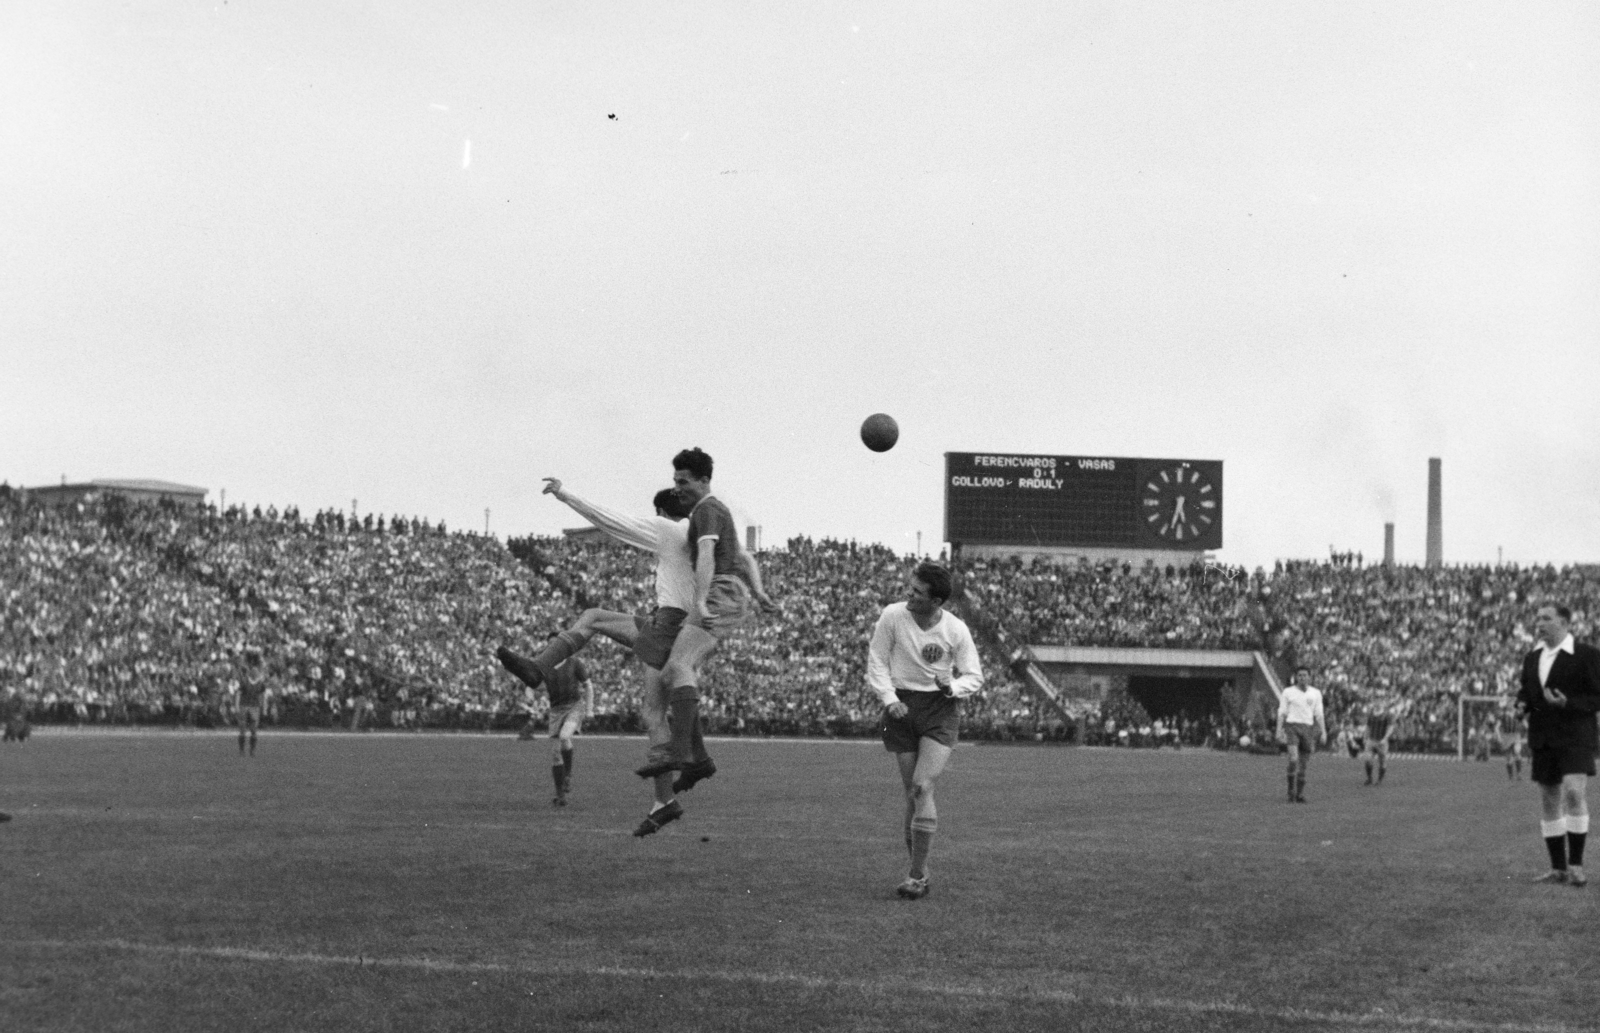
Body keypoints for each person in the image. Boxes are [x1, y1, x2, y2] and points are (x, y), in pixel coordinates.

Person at [637, 448, 776, 780]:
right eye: (675, 481)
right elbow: (744, 557)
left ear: (703, 480)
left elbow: (707, 554)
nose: (677, 488)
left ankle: (682, 751)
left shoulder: (706, 510)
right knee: (672, 672)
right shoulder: (716, 510)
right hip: (729, 591)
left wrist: (701, 601)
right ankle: (693, 757)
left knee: (677, 667)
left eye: (683, 481)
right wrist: (758, 592)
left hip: (720, 592)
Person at [866, 561, 984, 900]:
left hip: (939, 709)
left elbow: (974, 675)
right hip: (900, 706)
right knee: (912, 795)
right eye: (910, 587)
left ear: (936, 601)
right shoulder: (892, 616)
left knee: (922, 786)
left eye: (917, 592)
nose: (909, 594)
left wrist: (953, 687)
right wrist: (889, 699)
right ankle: (920, 871)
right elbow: (877, 660)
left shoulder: (955, 630)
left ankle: (916, 876)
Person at [1516, 604, 1600, 887]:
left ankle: (1576, 865)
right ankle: (1558, 869)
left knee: (1574, 792)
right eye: (1538, 618)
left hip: (1576, 734)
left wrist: (1569, 703)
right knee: (1549, 799)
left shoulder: (1587, 654)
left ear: (1563, 622)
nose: (1539, 623)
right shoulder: (1533, 657)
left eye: (1546, 618)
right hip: (1543, 736)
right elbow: (1526, 692)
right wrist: (1521, 705)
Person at [537, 656, 591, 807]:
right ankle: (560, 795)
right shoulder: (545, 665)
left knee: (564, 736)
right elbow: (534, 684)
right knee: (556, 754)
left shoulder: (574, 663)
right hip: (555, 711)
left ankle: (568, 774)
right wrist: (530, 692)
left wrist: (589, 710)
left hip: (574, 706)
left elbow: (588, 686)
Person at [1275, 666, 1326, 803]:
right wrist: (1278, 730)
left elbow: (1319, 714)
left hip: (1308, 728)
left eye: (1305, 675)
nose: (1302, 678)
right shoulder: (1288, 692)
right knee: (1293, 759)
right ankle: (1290, 791)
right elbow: (1282, 712)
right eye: (1300, 675)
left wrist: (1323, 732)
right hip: (1292, 727)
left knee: (1303, 765)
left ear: (1309, 677)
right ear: (1296, 677)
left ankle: (1299, 794)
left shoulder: (1315, 693)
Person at [235, 649, 270, 756]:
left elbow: (263, 696)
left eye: (256, 671)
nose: (255, 672)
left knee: (254, 730)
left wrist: (264, 708)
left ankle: (252, 750)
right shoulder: (245, 681)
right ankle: (241, 750)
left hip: (255, 706)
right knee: (242, 729)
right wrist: (237, 706)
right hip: (244, 705)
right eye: (253, 670)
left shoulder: (260, 683)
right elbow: (238, 694)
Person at [1363, 704, 1392, 785]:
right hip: (1371, 740)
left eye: (1379, 700)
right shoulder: (1371, 714)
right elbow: (1368, 727)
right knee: (1368, 759)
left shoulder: (1387, 715)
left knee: (1382, 761)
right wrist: (1365, 737)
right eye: (1376, 700)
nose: (1377, 703)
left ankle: (1380, 780)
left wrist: (1385, 738)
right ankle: (1369, 778)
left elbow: (1390, 727)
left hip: (1381, 742)